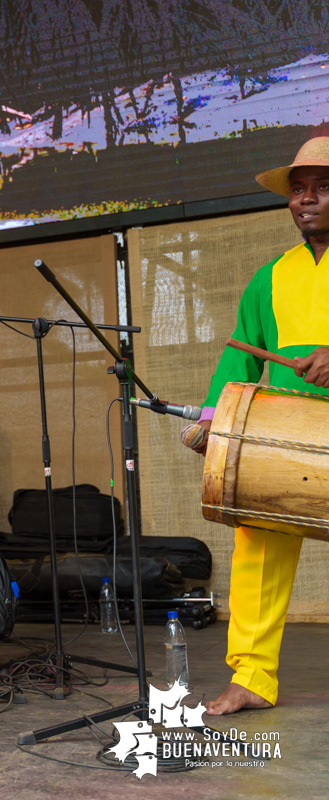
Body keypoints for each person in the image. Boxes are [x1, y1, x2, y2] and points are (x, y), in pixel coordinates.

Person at [183, 137, 329, 716]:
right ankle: (252, 676)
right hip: (282, 441)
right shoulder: (268, 279)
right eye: (298, 190)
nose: (307, 200)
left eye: (322, 188)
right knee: (257, 548)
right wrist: (214, 423)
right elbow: (238, 365)